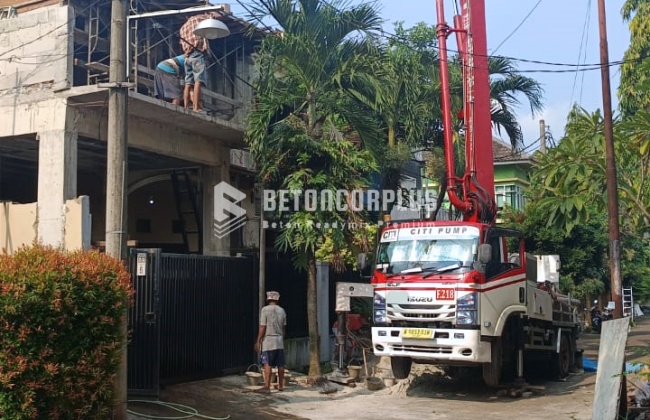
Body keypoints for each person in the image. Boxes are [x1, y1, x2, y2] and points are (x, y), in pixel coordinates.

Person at [179, 12, 220, 112]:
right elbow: (214, 16)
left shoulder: (183, 28)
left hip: (187, 56)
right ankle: (196, 107)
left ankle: (186, 106)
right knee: (198, 81)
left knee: (188, 82)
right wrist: (216, 12)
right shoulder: (197, 19)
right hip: (197, 53)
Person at [254, 291, 287, 393]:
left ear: (268, 299)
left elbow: (263, 326)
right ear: (277, 299)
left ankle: (267, 387)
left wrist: (258, 340)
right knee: (280, 364)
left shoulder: (265, 310)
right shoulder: (282, 311)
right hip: (279, 340)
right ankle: (280, 385)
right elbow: (283, 327)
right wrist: (282, 338)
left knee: (267, 363)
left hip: (269, 340)